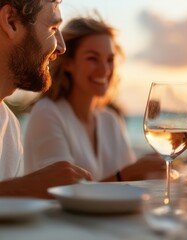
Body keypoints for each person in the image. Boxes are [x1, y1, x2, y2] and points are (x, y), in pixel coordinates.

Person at [23, 15, 165, 181]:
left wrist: (152, 168)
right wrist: (125, 175)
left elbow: (133, 184)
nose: (104, 69)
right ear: (69, 63)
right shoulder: (47, 113)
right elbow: (63, 192)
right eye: (92, 58)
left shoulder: (111, 120)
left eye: (110, 59)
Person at [0, 0, 92, 198]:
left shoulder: (9, 126)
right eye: (53, 28)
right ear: (11, 22)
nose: (61, 47)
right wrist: (23, 188)